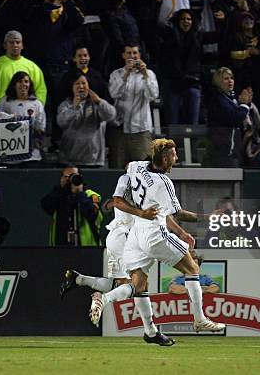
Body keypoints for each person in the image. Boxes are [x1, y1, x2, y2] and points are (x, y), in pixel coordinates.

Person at [89, 139, 226, 333]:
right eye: (173, 155)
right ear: (163, 158)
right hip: (155, 233)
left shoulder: (136, 166)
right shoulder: (163, 183)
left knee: (139, 285)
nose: (176, 158)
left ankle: (103, 299)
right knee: (192, 268)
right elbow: (178, 213)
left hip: (137, 235)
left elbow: (129, 168)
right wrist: (207, 217)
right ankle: (200, 319)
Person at [59, 172, 177, 346]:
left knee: (124, 284)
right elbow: (163, 215)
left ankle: (79, 279)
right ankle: (102, 299)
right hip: (129, 238)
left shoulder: (126, 180)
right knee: (138, 285)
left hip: (114, 236)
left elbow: (110, 203)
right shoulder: (150, 186)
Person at [107, 42, 159, 168]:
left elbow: (153, 95)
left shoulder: (149, 74)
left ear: (139, 55)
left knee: (143, 171)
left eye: (135, 53)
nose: (132, 56)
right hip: (120, 130)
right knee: (118, 169)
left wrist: (145, 74)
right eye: (129, 53)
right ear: (123, 56)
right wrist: (126, 75)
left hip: (141, 131)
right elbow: (114, 94)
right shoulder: (116, 74)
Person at [57, 72, 116, 167]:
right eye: (77, 83)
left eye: (84, 83)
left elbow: (111, 115)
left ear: (89, 85)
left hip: (94, 160)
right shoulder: (65, 105)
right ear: (71, 87)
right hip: (69, 160)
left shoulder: (97, 104)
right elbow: (61, 122)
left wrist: (99, 101)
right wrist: (74, 107)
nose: (81, 86)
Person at [41, 165, 103, 247]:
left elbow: (92, 214)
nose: (69, 179)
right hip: (60, 247)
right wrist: (61, 188)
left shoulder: (91, 195)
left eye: (72, 176)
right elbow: (46, 205)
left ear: (80, 177)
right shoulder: (59, 195)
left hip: (86, 248)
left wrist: (80, 193)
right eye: (66, 176)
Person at [205, 67, 254, 167]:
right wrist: (244, 105)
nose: (230, 81)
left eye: (231, 78)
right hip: (222, 149)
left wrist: (246, 104)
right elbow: (235, 119)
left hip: (234, 149)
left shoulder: (232, 99)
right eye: (226, 78)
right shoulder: (218, 100)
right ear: (218, 81)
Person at [0, 31, 47, 106]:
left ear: (22, 45)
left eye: (18, 42)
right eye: (11, 42)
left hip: (27, 111)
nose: (15, 45)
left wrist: (35, 107)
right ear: (4, 45)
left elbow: (41, 90)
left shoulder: (32, 67)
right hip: (1, 111)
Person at [0, 71, 47, 166]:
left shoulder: (36, 103)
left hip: (31, 156)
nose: (23, 84)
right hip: (10, 154)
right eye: (20, 81)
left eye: (26, 81)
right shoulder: (6, 101)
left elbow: (41, 126)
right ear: (14, 84)